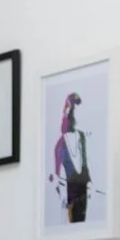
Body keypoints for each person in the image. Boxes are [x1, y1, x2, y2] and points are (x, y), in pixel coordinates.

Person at [50, 91, 91, 223]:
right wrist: (62, 195)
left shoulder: (82, 138)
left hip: (83, 190)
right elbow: (57, 174)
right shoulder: (60, 144)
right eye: (72, 111)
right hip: (70, 195)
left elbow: (85, 163)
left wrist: (89, 185)